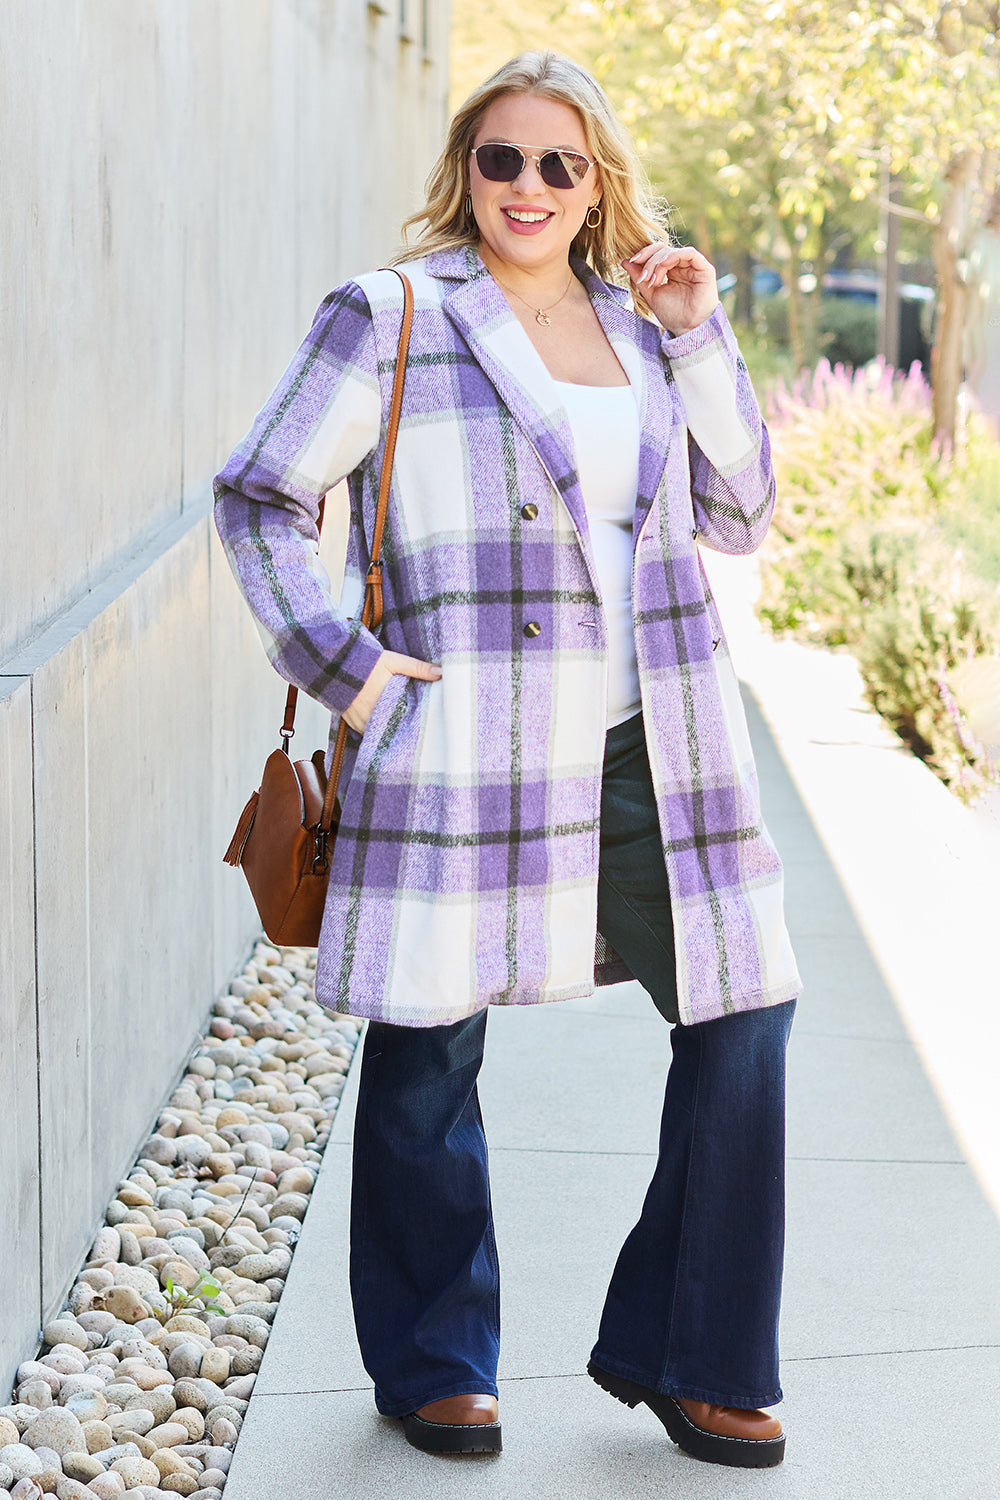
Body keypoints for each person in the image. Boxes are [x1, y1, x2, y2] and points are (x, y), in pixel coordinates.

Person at [214, 50, 801, 1471]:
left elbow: (740, 511)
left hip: (651, 737)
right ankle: (433, 1362)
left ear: (597, 181)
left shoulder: (644, 317)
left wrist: (701, 334)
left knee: (747, 1017)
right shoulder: (394, 314)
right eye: (502, 159)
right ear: (463, 173)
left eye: (560, 163)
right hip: (462, 737)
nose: (528, 186)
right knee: (430, 1047)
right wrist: (347, 671)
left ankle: (694, 1351)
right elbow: (260, 493)